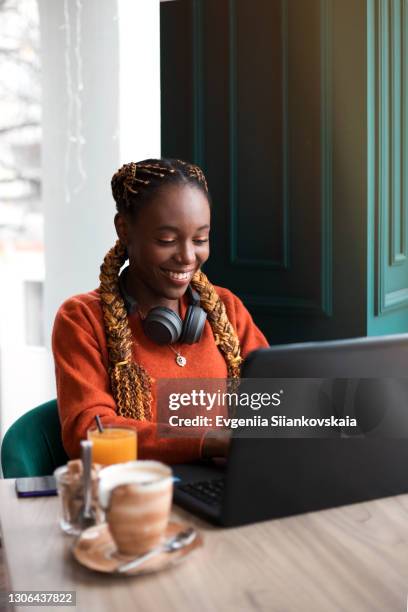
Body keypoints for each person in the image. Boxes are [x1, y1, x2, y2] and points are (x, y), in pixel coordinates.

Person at [52, 159, 269, 463]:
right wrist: (208, 441)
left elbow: (274, 401)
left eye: (200, 239)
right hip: (135, 493)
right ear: (124, 230)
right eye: (167, 240)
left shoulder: (226, 308)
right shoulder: (81, 319)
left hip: (226, 488)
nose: (187, 257)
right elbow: (90, 431)